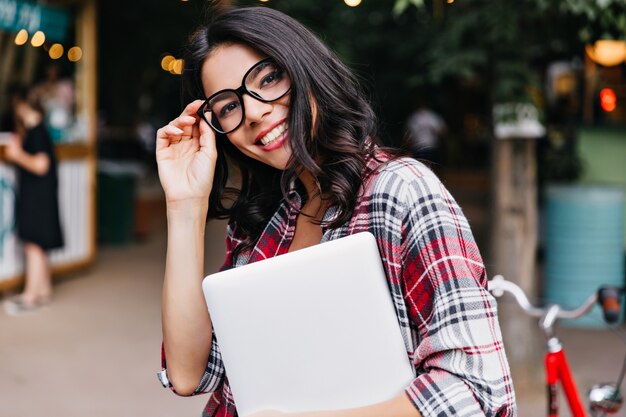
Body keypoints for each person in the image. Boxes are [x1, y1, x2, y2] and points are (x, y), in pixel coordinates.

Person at [156, 7, 516, 417]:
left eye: (269, 78)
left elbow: (475, 387)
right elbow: (189, 373)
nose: (253, 112)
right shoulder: (263, 218)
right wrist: (184, 204)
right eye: (227, 108)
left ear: (306, 68)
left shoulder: (400, 190)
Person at [3, 85, 64, 315]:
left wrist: (17, 155)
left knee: (33, 244)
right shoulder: (39, 130)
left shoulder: (37, 131)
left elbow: (41, 165)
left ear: (22, 106)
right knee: (38, 245)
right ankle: (44, 291)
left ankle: (30, 296)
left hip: (37, 197)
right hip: (40, 195)